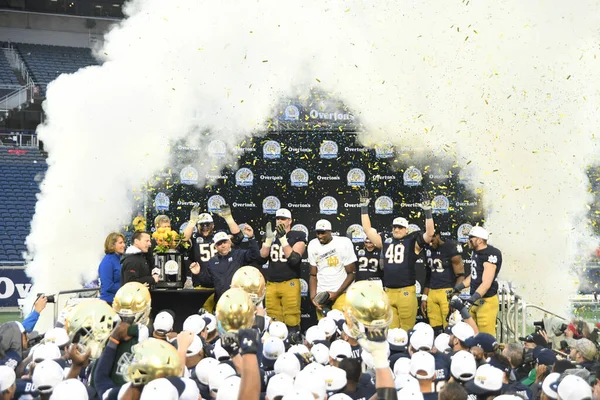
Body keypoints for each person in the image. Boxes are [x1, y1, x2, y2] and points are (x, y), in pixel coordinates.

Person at [360, 189, 434, 330]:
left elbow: (430, 233)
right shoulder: (386, 240)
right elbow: (368, 230)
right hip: (388, 291)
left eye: (400, 227)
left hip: (405, 291)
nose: (396, 229)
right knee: (391, 331)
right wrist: (364, 207)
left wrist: (427, 211)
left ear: (407, 229)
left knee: (406, 330)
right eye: (394, 227)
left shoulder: (412, 241)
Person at [183, 205, 244, 312]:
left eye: (208, 225)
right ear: (197, 226)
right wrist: (192, 222)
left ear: (213, 225)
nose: (205, 227)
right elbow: (183, 242)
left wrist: (229, 219)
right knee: (203, 316)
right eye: (202, 225)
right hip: (201, 285)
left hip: (220, 285)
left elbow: (239, 237)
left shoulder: (219, 237)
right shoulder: (193, 237)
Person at [260, 208, 307, 333]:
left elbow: (294, 259)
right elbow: (262, 257)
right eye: (277, 218)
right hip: (272, 283)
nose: (279, 221)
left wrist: (283, 239)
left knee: (292, 316)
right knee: (273, 317)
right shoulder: (271, 234)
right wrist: (268, 240)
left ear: (290, 220)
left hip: (289, 282)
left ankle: (293, 343)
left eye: (283, 218)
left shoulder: (298, 235)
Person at [452, 226, 502, 335]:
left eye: (471, 238)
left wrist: (471, 300)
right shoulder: (476, 252)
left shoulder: (490, 254)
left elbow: (486, 283)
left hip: (486, 301)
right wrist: (458, 287)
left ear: (479, 240)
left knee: (485, 339)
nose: (468, 241)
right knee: (471, 336)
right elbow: (475, 275)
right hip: (476, 300)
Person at [190, 225, 259, 304]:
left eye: (225, 242)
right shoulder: (212, 262)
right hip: (221, 303)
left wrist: (251, 238)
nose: (223, 245)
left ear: (229, 242)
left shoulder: (239, 255)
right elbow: (208, 282)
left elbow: (255, 255)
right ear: (215, 246)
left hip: (238, 301)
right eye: (219, 244)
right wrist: (198, 273)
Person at [307, 219, 357, 319]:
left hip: (341, 293)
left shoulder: (343, 243)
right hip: (322, 294)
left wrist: (336, 293)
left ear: (330, 231)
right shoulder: (313, 245)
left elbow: (351, 273)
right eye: (318, 233)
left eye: (323, 233)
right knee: (324, 328)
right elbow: (313, 275)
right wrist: (313, 297)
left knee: (341, 324)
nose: (320, 236)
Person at [422, 230, 465, 334]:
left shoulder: (450, 247)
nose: (430, 243)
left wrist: (454, 296)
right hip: (432, 292)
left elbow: (461, 275)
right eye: (428, 240)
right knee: (434, 329)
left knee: (449, 328)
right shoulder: (427, 248)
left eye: (432, 239)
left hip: (447, 291)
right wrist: (424, 297)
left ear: (438, 235)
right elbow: (429, 275)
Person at [98, 232, 126, 304]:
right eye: (120, 243)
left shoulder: (119, 259)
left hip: (119, 300)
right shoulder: (107, 262)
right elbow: (108, 286)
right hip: (109, 302)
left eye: (123, 242)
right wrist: (127, 287)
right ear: (112, 245)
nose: (124, 245)